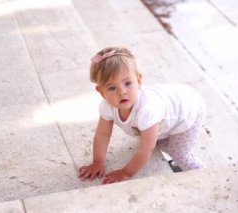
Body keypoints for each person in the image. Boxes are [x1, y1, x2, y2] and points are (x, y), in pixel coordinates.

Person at [78, 47, 205, 184]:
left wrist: (126, 172)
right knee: (158, 141)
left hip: (187, 110)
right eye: (111, 88)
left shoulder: (146, 111)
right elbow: (102, 134)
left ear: (138, 81)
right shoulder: (107, 106)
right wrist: (98, 161)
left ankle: (205, 176)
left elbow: (146, 149)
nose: (122, 92)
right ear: (102, 92)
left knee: (179, 153)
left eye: (127, 83)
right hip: (168, 103)